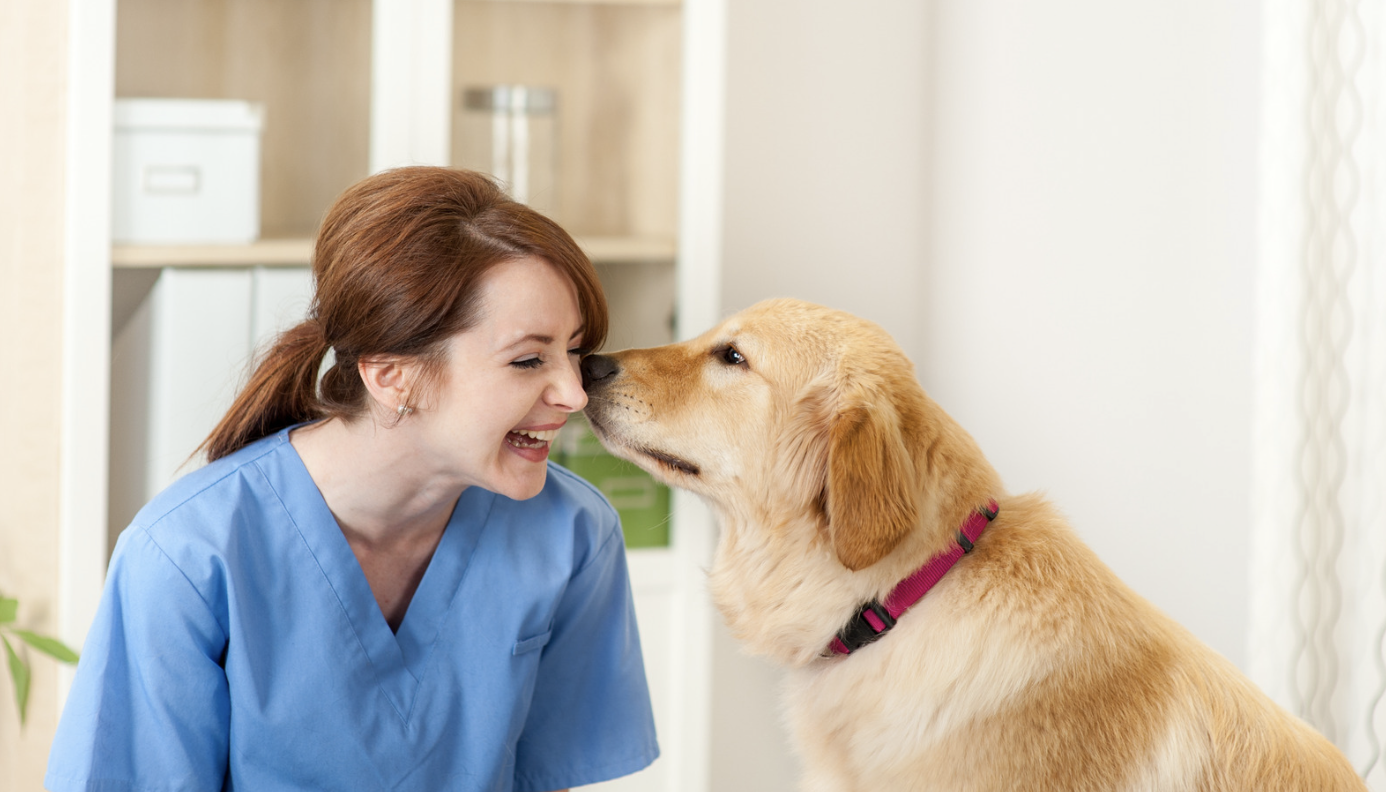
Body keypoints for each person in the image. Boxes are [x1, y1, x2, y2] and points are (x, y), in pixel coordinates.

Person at [46, 167, 659, 791]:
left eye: (575, 352)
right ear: (392, 376)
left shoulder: (574, 534)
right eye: (528, 359)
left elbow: (549, 777)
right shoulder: (187, 556)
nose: (575, 394)